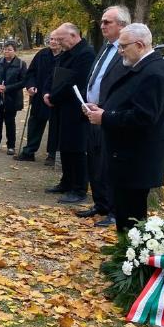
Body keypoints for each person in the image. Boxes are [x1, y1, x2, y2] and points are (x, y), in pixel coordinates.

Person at [84, 23, 164, 232]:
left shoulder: (153, 73)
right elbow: (126, 101)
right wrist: (102, 108)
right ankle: (125, 255)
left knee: (131, 217)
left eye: (123, 46)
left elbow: (143, 118)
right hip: (125, 156)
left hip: (136, 160)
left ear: (140, 45)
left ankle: (130, 259)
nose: (120, 51)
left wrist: (105, 117)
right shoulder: (141, 67)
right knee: (124, 214)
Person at [78, 5, 130, 227]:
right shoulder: (105, 48)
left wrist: (105, 108)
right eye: (101, 22)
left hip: (109, 113)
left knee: (109, 163)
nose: (102, 26)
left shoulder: (125, 52)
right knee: (95, 159)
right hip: (93, 110)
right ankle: (100, 203)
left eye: (107, 22)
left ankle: (114, 209)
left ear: (122, 25)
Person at [43, 23, 95, 204]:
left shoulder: (86, 54)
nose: (58, 43)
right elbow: (55, 74)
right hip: (62, 105)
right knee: (64, 145)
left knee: (77, 148)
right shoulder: (66, 53)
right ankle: (66, 181)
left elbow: (74, 81)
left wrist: (54, 96)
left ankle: (79, 188)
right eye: (56, 39)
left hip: (76, 107)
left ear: (73, 35)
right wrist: (47, 92)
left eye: (61, 39)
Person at [16, 32, 61, 163]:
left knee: (55, 126)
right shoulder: (42, 54)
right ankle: (29, 151)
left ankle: (52, 154)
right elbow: (30, 73)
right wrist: (30, 86)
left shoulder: (66, 56)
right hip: (38, 95)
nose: (53, 41)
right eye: (51, 39)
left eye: (56, 39)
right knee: (35, 123)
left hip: (56, 97)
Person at [0, 40, 27, 155]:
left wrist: (7, 88)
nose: (6, 51)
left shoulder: (21, 64)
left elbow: (23, 81)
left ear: (15, 51)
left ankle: (11, 146)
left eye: (9, 49)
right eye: (5, 49)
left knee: (10, 122)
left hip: (11, 98)